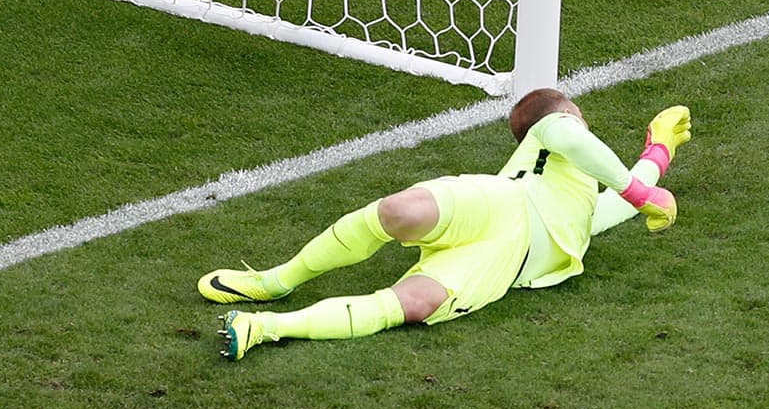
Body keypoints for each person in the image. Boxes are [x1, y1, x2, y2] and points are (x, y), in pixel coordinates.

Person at [198, 88, 692, 360]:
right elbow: (592, 154)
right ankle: (275, 281)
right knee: (399, 212)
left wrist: (659, 151)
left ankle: (264, 327)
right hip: (501, 202)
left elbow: (617, 206)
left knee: (413, 304)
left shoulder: (582, 204)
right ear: (569, 114)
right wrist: (640, 191)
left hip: (506, 263)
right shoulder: (553, 131)